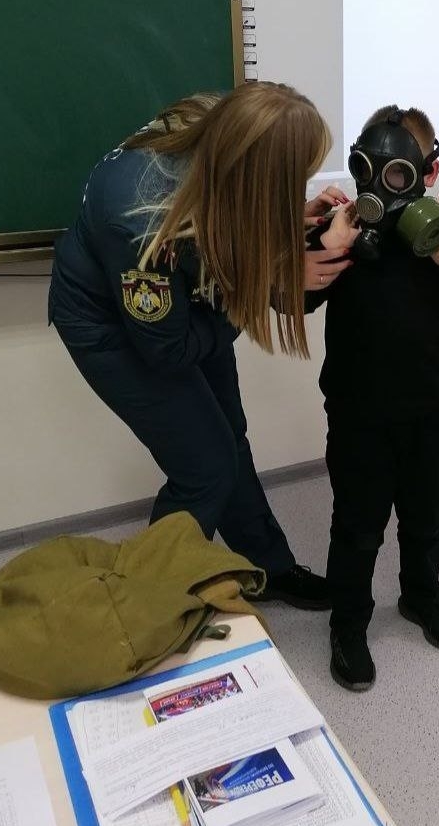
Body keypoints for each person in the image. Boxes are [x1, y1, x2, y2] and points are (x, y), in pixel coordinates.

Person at [48, 82, 353, 607]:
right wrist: (273, 275)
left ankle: (268, 568)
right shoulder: (140, 220)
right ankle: (150, 606)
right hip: (109, 324)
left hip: (189, 289)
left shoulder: (218, 122)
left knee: (229, 436)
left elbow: (228, 208)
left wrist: (290, 219)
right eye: (290, 180)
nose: (295, 188)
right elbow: (169, 351)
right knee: (205, 468)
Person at [308, 104, 439, 690]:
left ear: (429, 173)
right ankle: (349, 624)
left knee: (426, 515)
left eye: (398, 174)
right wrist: (329, 245)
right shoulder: (346, 235)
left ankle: (421, 596)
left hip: (432, 409)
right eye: (367, 171)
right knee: (357, 524)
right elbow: (290, 299)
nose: (381, 187)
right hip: (358, 414)